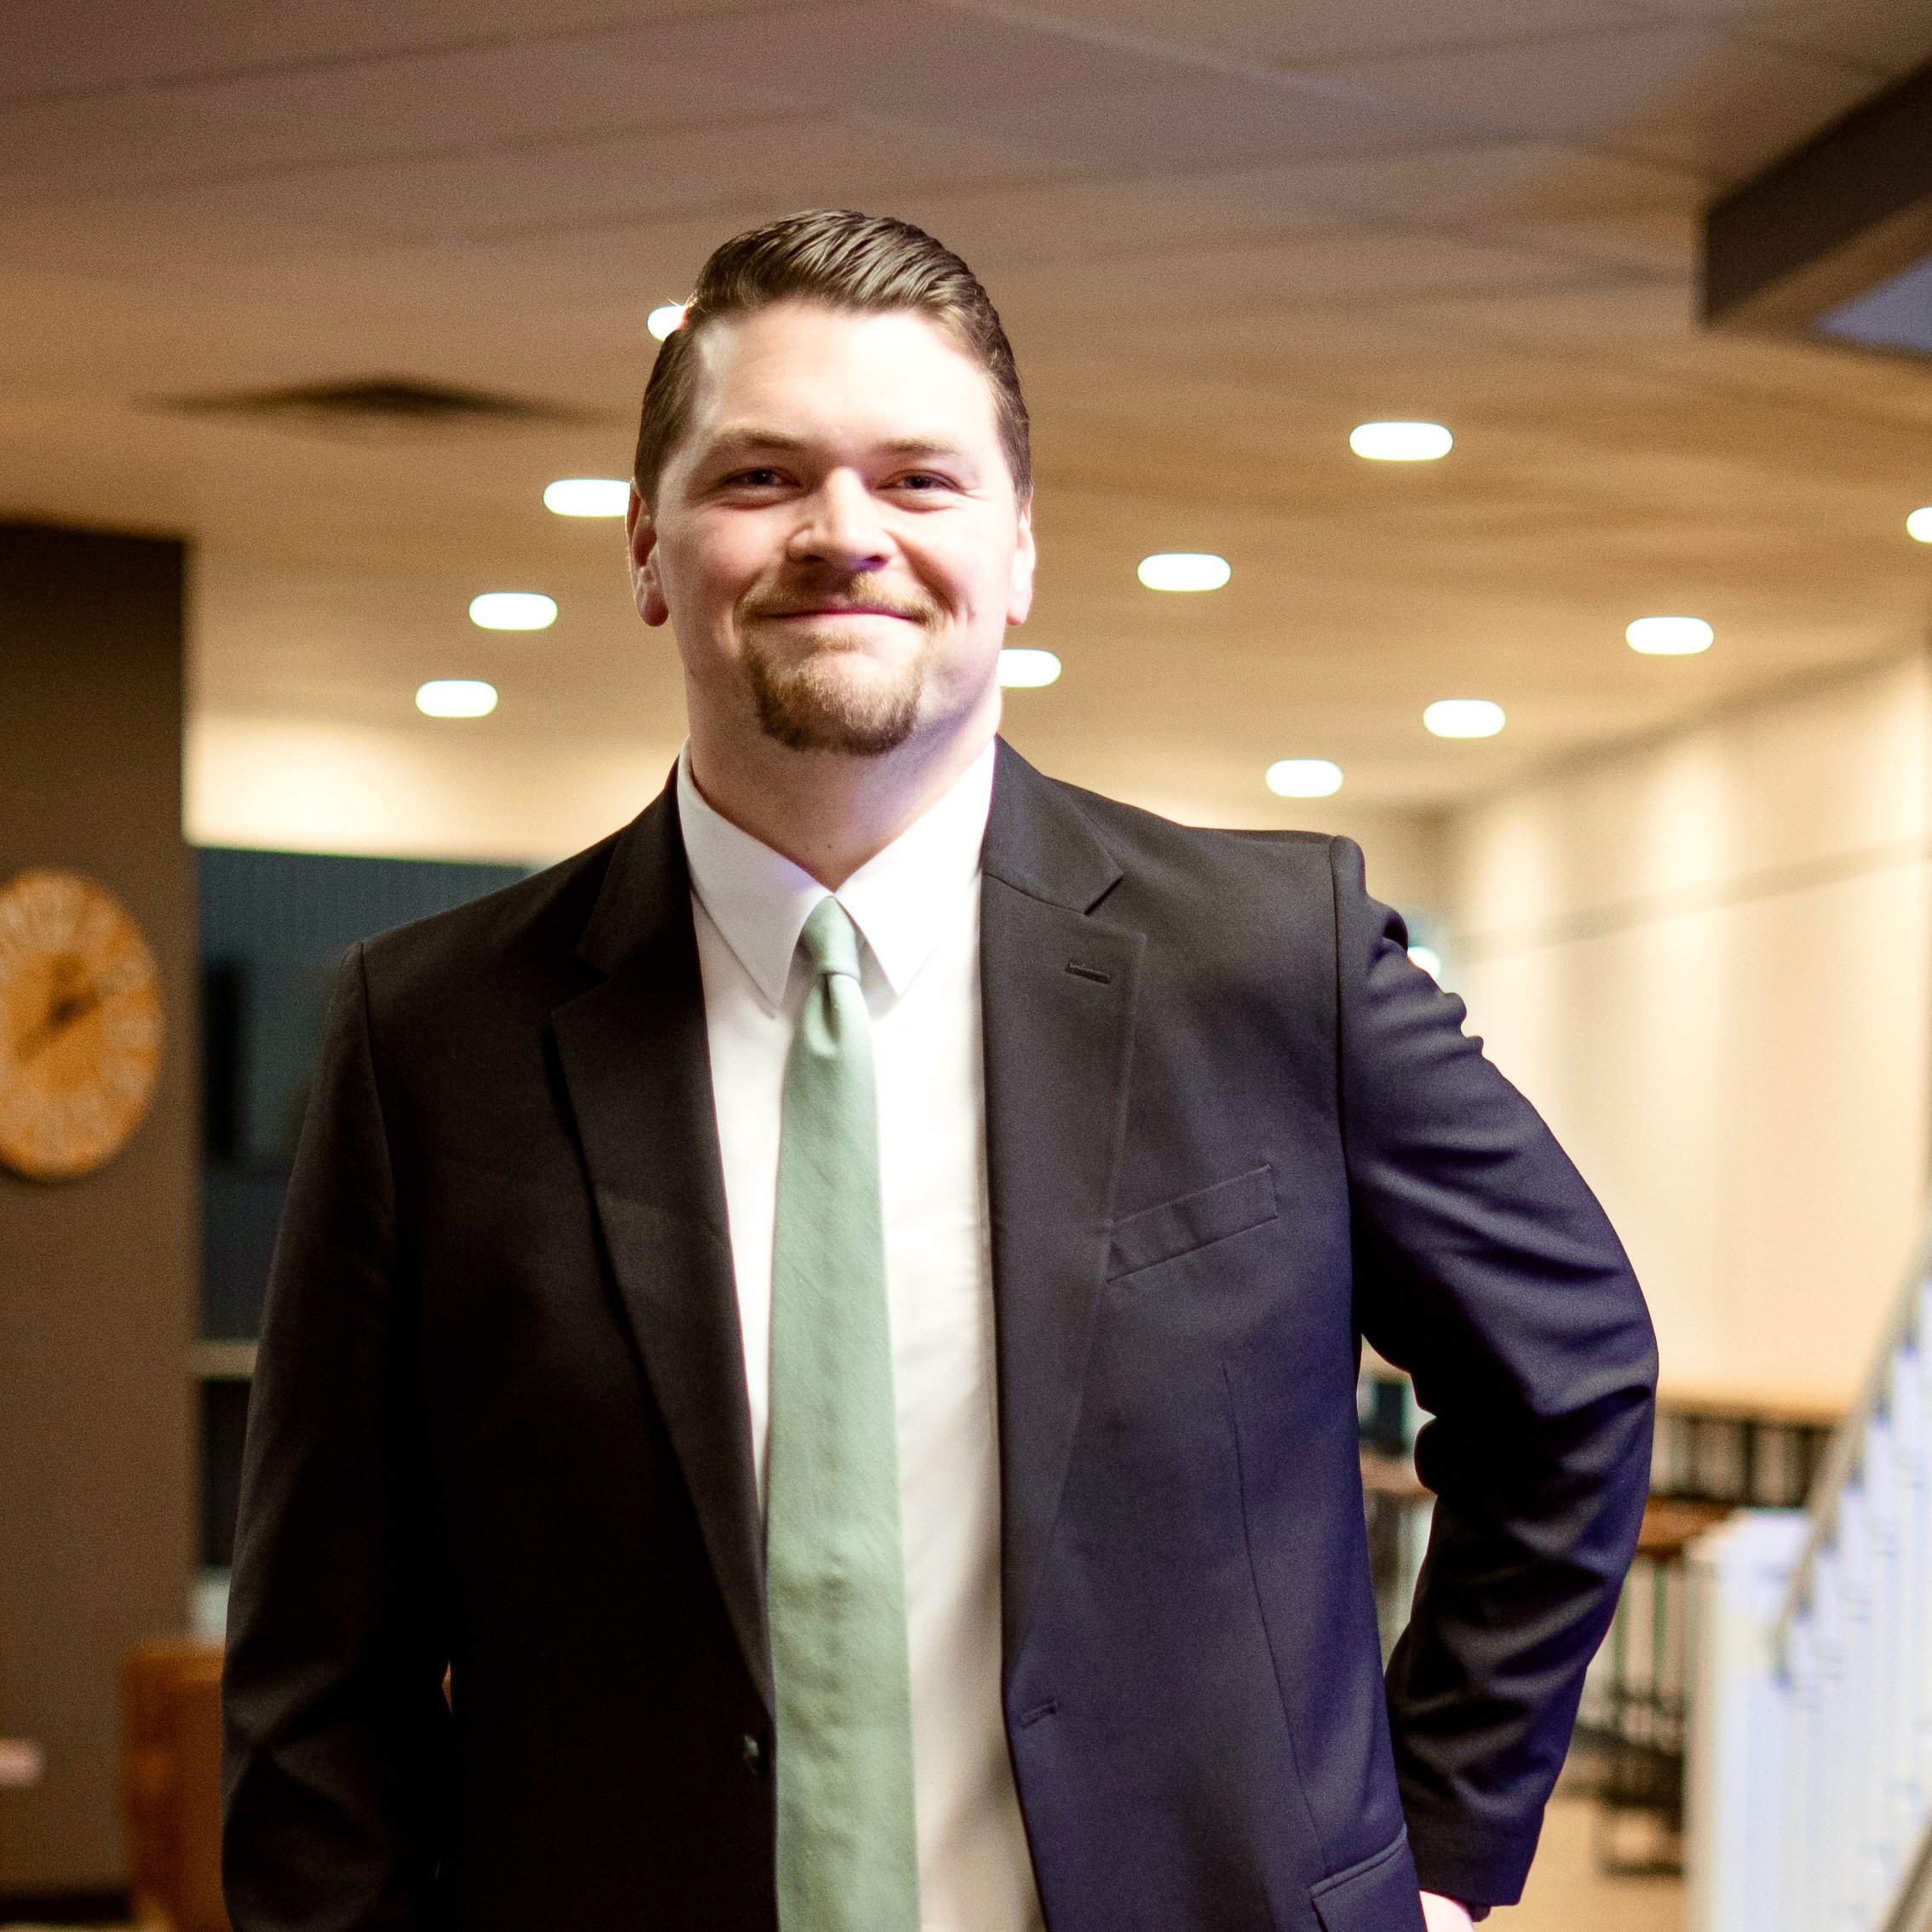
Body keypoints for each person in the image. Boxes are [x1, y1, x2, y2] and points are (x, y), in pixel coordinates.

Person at [221, 210, 1656, 1932]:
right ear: (648, 548)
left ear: (1021, 550)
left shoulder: (1274, 962)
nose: (847, 536)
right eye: (763, 476)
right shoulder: (429, 1040)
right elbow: (323, 1675)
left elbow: (1569, 1379)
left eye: (922, 479)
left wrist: (1435, 1849)